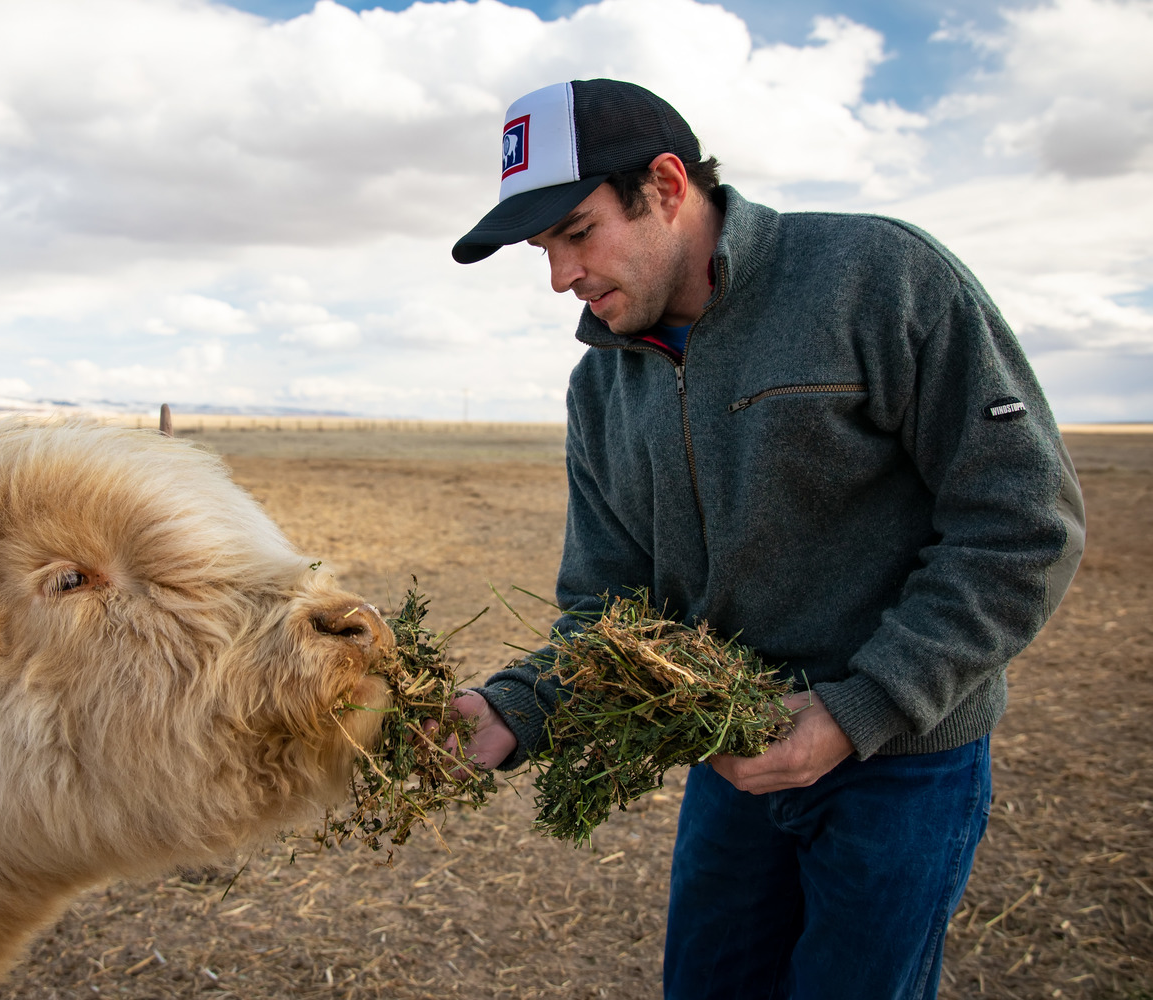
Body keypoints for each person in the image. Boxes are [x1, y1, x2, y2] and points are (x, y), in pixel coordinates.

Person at [446, 79, 1086, 1000]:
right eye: (545, 249)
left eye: (577, 232)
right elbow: (610, 611)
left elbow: (1024, 522)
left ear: (666, 185)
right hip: (733, 758)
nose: (560, 277)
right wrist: (517, 706)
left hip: (903, 762)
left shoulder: (875, 277)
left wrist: (858, 708)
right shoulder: (601, 388)